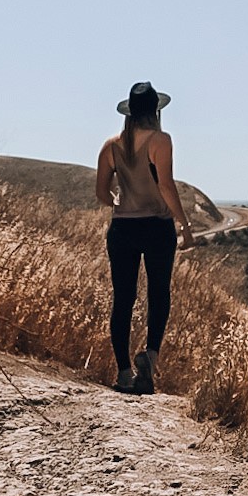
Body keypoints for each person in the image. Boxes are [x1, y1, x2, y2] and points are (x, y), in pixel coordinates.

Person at [95, 81, 195, 394]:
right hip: (156, 227)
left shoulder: (111, 145)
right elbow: (166, 185)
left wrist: (118, 202)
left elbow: (101, 192)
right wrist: (185, 224)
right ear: (155, 110)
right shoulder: (160, 140)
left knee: (123, 299)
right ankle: (149, 360)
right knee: (158, 294)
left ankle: (124, 373)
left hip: (122, 229)